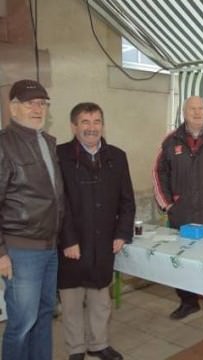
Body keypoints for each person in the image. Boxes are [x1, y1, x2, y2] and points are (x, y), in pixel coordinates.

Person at [57, 102, 135, 360]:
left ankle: (98, 344)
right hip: (72, 242)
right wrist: (68, 239)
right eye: (85, 122)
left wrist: (122, 233)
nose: (92, 128)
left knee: (101, 300)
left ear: (103, 124)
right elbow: (59, 203)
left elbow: (127, 201)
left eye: (97, 122)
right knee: (71, 301)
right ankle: (76, 348)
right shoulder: (60, 156)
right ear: (73, 126)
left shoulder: (117, 156)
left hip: (104, 242)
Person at [0, 79, 64, 360]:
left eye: (43, 103)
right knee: (22, 323)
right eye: (31, 103)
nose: (38, 109)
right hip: (21, 249)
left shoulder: (48, 142)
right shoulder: (4, 145)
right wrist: (1, 252)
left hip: (49, 246)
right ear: (13, 108)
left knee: (44, 315)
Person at [153, 96, 203, 322]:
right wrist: (168, 204)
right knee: (181, 263)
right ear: (184, 112)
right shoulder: (171, 140)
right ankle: (187, 302)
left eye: (201, 107)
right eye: (192, 108)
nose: (197, 112)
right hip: (181, 215)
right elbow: (158, 172)